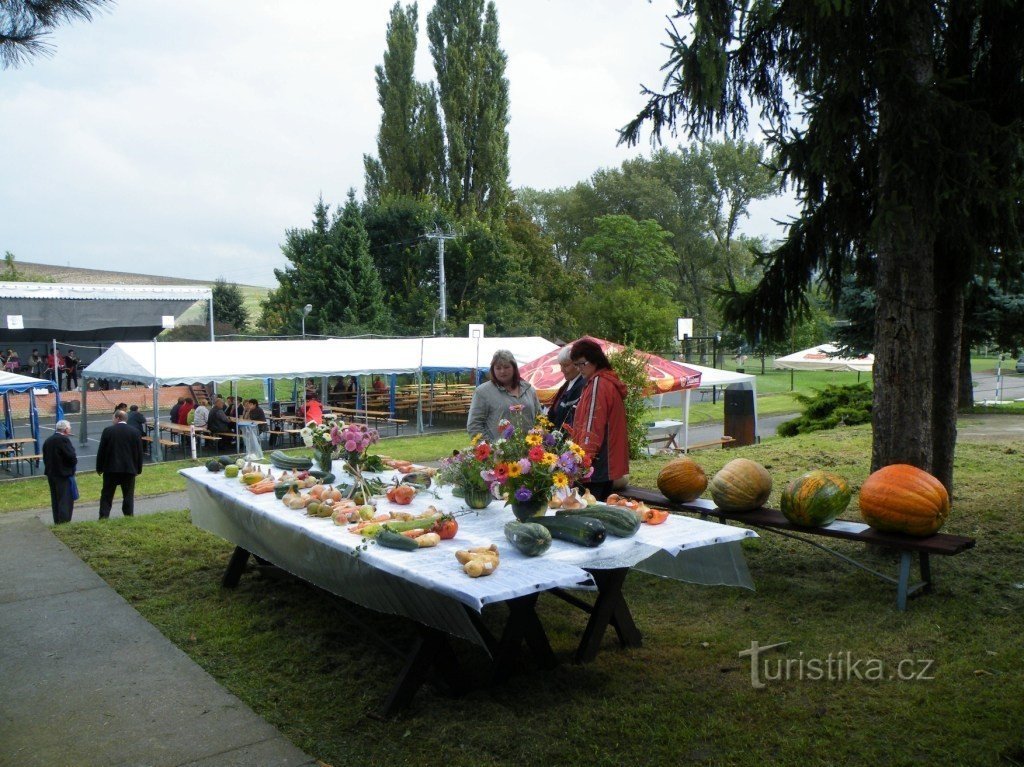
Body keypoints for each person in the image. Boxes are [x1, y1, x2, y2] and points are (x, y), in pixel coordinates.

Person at [566, 339, 629, 502]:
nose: (579, 369)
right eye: (576, 365)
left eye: (582, 364)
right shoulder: (605, 381)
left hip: (596, 464)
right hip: (607, 462)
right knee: (603, 511)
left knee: (588, 510)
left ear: (594, 360)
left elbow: (593, 425)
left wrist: (583, 462)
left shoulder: (598, 384)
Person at [466, 349, 541, 443]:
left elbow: (540, 418)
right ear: (493, 370)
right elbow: (474, 426)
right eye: (498, 368)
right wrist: (490, 449)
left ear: (514, 368)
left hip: (531, 451)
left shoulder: (529, 389)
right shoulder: (482, 392)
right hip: (500, 454)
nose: (502, 371)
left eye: (506, 367)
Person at [95, 409, 144, 519]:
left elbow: (101, 451)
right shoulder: (135, 432)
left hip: (111, 468)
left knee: (107, 494)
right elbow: (139, 452)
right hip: (129, 469)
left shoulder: (108, 431)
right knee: (128, 495)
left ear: (117, 418)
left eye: (113, 418)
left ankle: (104, 516)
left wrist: (99, 467)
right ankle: (128, 515)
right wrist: (138, 469)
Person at [43, 419, 78, 524]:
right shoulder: (64, 440)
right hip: (63, 474)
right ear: (66, 429)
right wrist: (72, 466)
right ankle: (64, 521)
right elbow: (71, 457)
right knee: (65, 499)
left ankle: (57, 520)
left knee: (55, 499)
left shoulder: (48, 440)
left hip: (51, 473)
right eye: (69, 427)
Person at [548, 345, 586, 432]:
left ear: (577, 364)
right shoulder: (568, 383)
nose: (562, 369)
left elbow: (570, 421)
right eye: (561, 365)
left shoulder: (581, 387)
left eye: (565, 365)